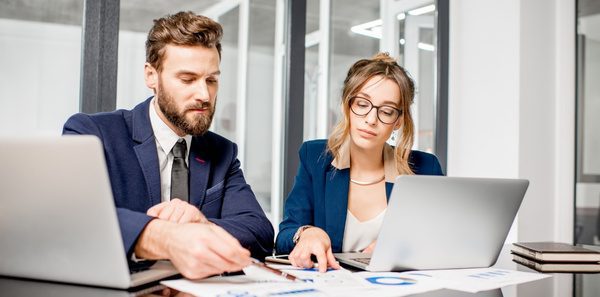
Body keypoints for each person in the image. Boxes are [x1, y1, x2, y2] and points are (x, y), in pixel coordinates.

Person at [63, 11, 274, 279]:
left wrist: (204, 224)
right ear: (151, 76)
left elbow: (260, 232)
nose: (204, 95)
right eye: (187, 79)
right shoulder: (93, 133)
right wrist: (165, 236)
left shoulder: (222, 151)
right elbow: (73, 216)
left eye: (212, 80)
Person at [275, 53, 444, 272]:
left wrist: (404, 247)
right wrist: (306, 233)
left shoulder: (425, 167)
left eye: (386, 111)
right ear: (348, 105)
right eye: (363, 104)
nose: (371, 119)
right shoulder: (315, 157)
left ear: (398, 121)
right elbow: (285, 235)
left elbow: (442, 238)